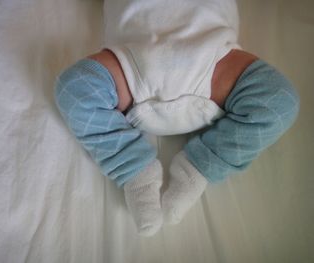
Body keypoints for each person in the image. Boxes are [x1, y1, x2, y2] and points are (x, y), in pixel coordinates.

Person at [54, 0, 300, 236]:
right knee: (74, 88)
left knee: (280, 100)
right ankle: (135, 170)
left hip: (214, 61)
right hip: (131, 63)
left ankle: (197, 170)